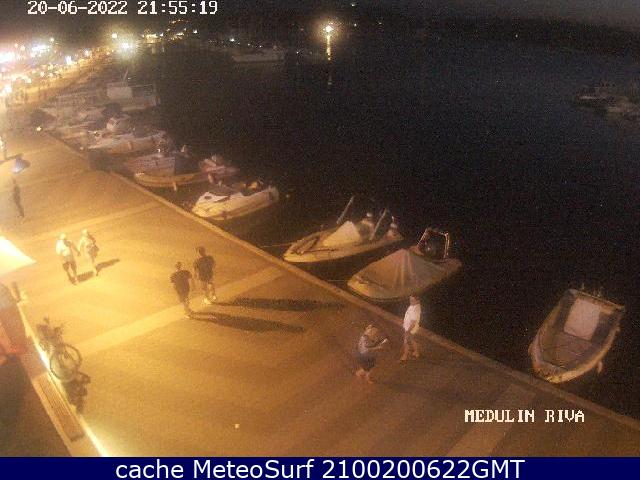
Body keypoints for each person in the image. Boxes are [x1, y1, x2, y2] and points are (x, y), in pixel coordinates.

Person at [400, 295, 421, 362]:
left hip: (410, 329)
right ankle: (416, 352)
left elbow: (413, 323)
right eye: (410, 299)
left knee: (405, 342)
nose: (410, 301)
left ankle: (405, 356)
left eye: (412, 300)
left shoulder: (415, 309)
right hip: (409, 328)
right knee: (412, 340)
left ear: (417, 301)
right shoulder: (413, 305)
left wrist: (408, 331)